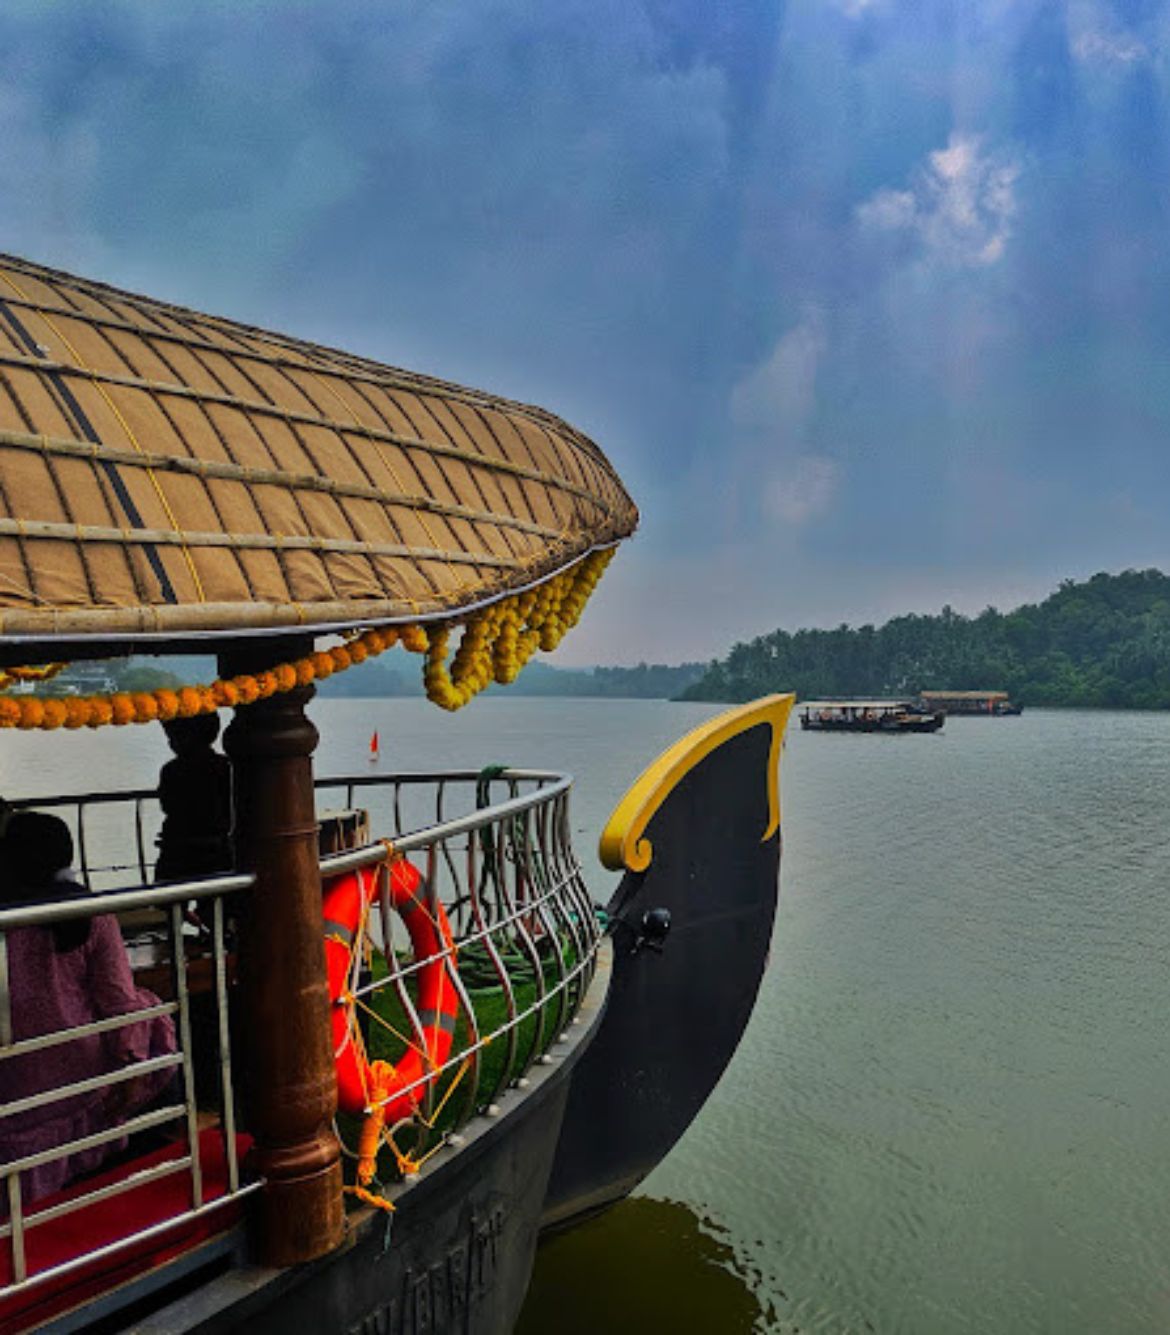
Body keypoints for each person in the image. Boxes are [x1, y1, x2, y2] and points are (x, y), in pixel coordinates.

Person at [0, 812, 177, 1207]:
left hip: (12, 1085)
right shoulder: (90, 915)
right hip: (78, 1081)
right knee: (155, 1022)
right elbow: (119, 1005)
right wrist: (129, 1071)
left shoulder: (9, 916)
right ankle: (151, 1149)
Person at [154, 714, 233, 884]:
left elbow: (167, 805)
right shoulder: (225, 766)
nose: (171, 743)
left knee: (167, 896)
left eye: (174, 737)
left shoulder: (171, 770)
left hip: (177, 845)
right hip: (218, 845)